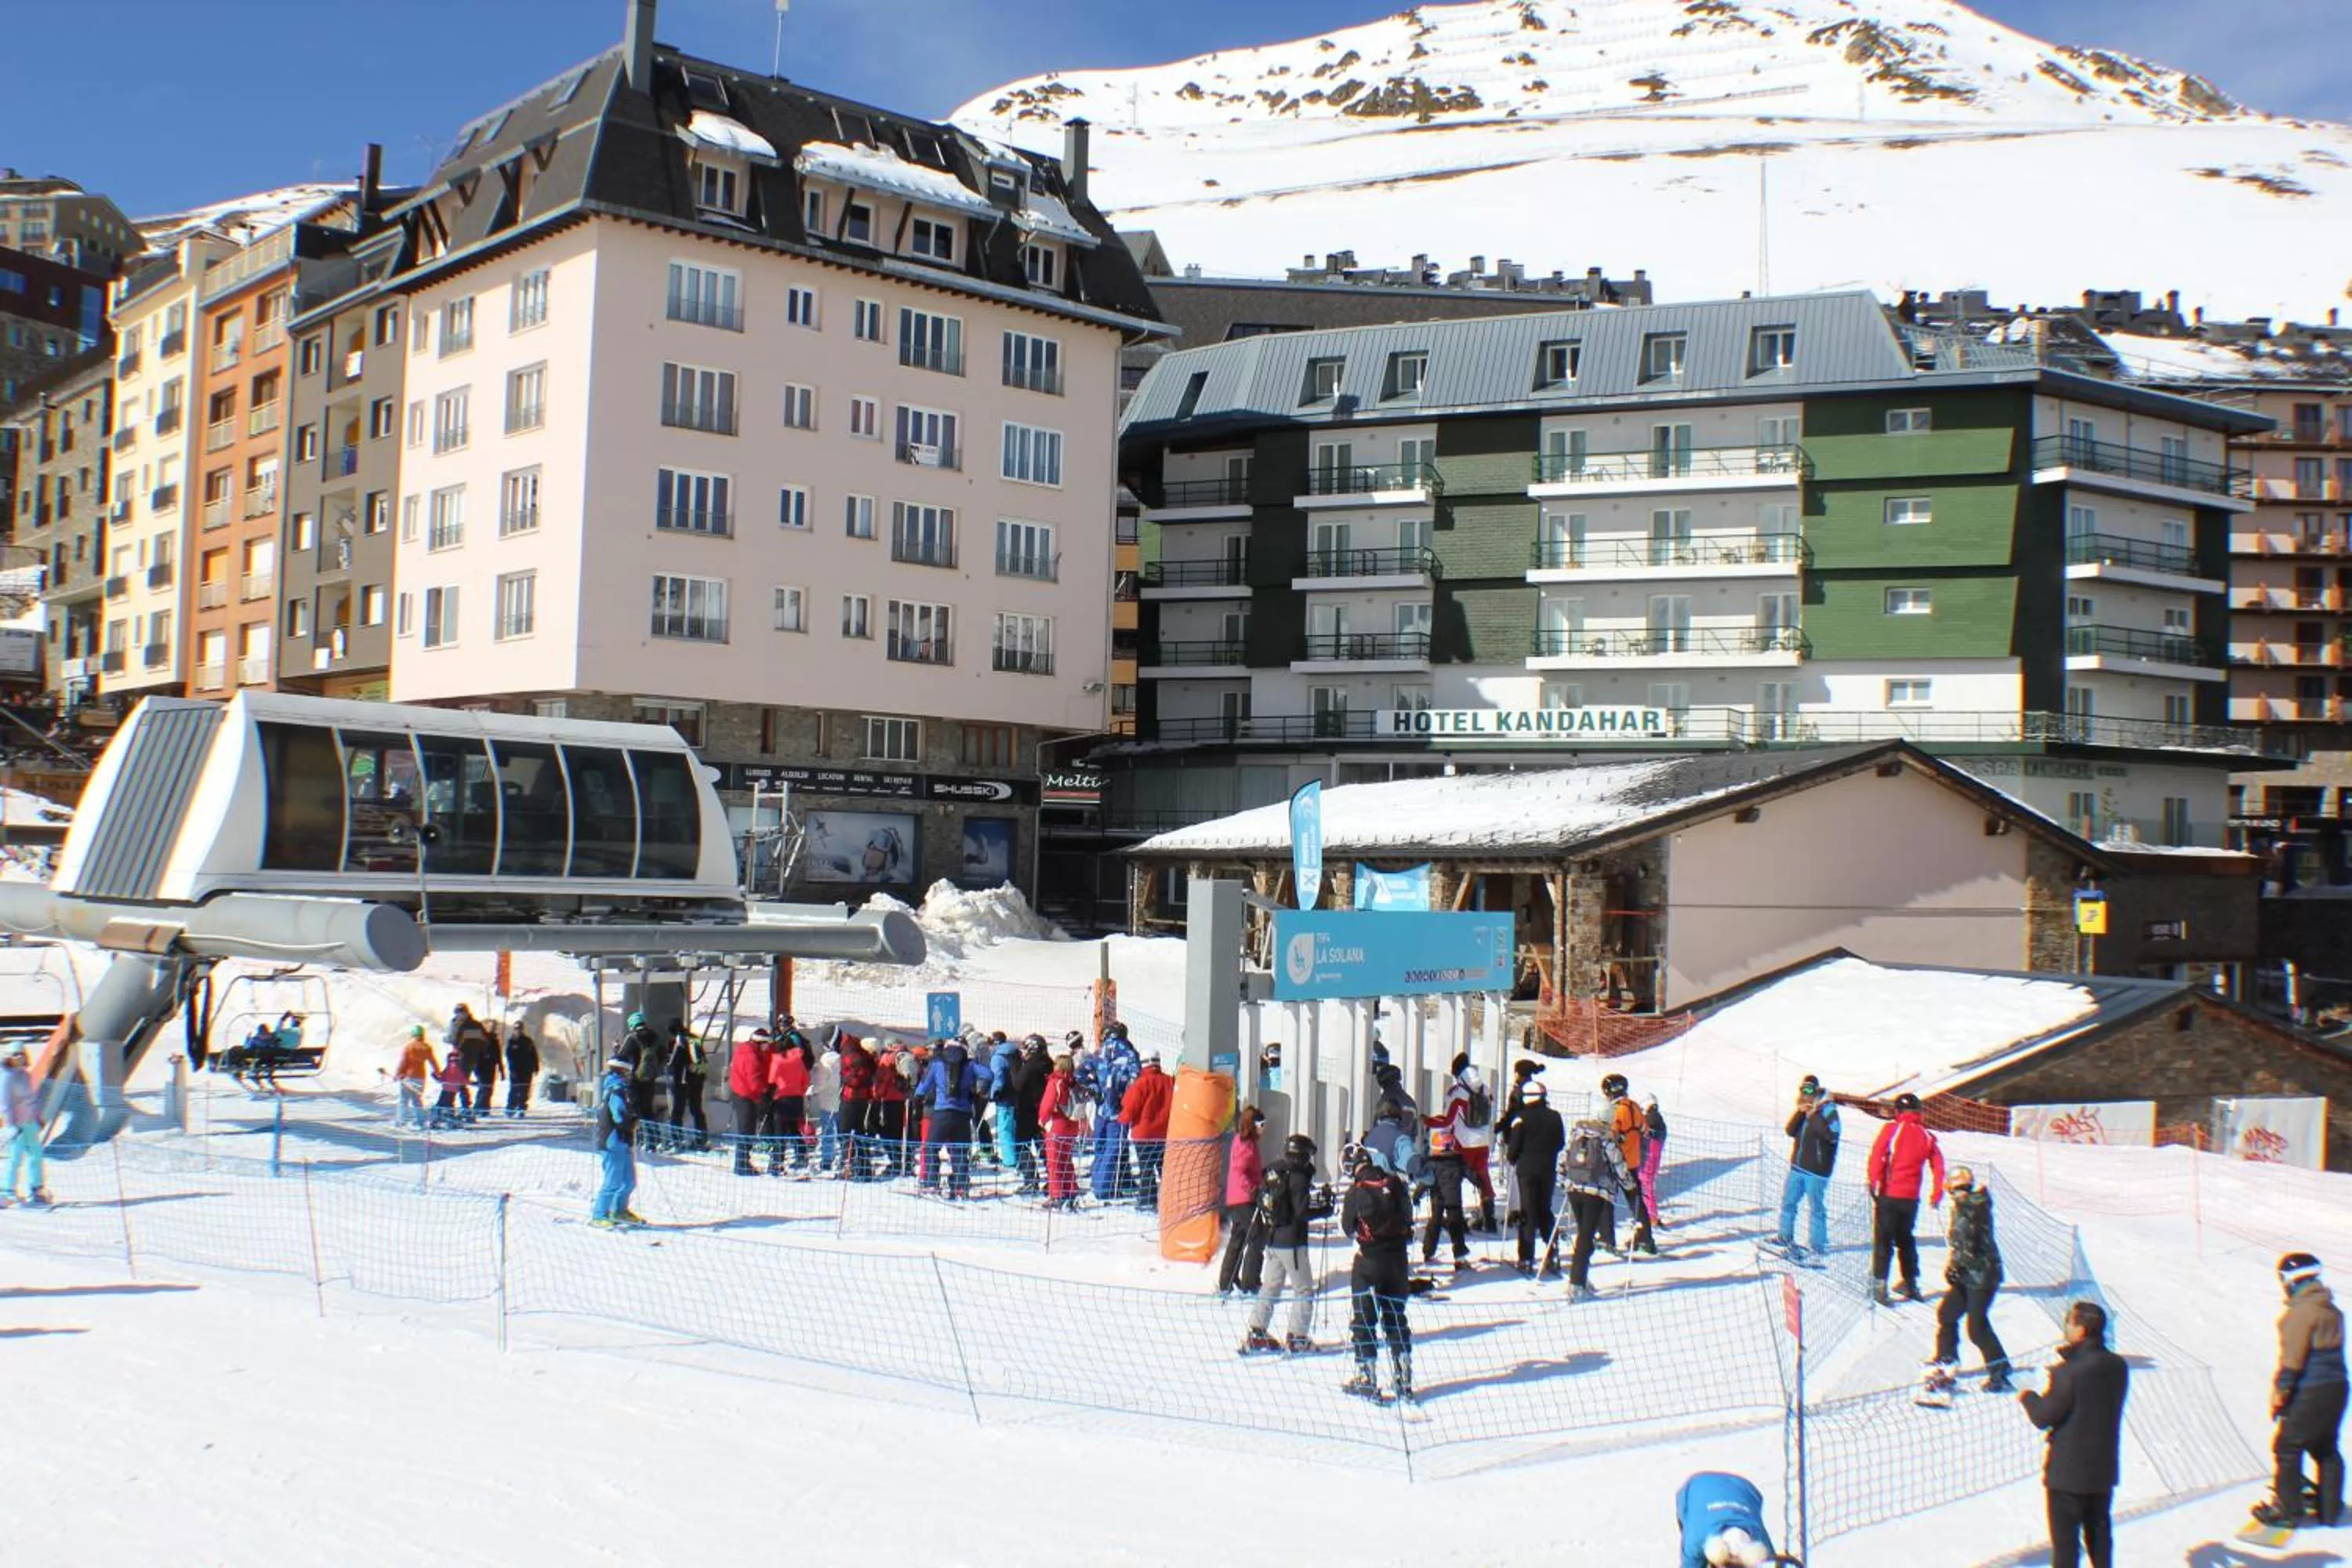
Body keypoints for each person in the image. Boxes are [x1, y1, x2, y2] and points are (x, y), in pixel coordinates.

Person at [2020, 1300, 2129, 1568]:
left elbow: (2043, 1416)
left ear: (2081, 1330)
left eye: (2069, 1321)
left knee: (2066, 1544)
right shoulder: (2118, 1366)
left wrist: (2028, 1396)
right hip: (2102, 1470)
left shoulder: (2069, 1373)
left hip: (2068, 1475)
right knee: (2100, 1536)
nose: (2066, 1326)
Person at [2256, 1252, 2345, 1529]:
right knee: (2325, 1446)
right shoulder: (2332, 1310)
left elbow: (2293, 1360)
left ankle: (2287, 1511)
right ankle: (2329, 1509)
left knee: (2287, 1447)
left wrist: (2281, 1393)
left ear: (2291, 1280)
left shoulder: (2300, 1313)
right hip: (2338, 1387)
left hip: (2311, 1388)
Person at [1240, 1132, 1333, 1355]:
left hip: (1273, 1239)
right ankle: (1298, 1336)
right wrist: (1324, 1210)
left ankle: (1257, 1332)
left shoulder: (1275, 1171)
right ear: (1303, 1155)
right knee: (1304, 1289)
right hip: (1293, 1243)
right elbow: (1301, 1211)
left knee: (1271, 1286)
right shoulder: (1299, 1176)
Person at [1341, 1142, 1415, 1403]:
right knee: (1396, 1318)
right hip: (1398, 1262)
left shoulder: (1356, 1192)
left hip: (1369, 1262)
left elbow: (1347, 1228)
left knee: (1364, 1318)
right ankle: (1403, 1376)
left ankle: (1366, 1375)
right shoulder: (1395, 1183)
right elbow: (1408, 1217)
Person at [1930, 1166, 2013, 1392]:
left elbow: (1971, 1241)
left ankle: (2000, 1371)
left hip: (1983, 1276)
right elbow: (1961, 1243)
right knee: (1947, 1313)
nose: (1954, 1196)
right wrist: (1954, 1266)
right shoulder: (1964, 1206)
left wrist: (1958, 1265)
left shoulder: (1973, 1207)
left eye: (1955, 1191)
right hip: (1969, 1274)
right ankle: (1946, 1359)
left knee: (1976, 1327)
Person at [1867, 1091, 1947, 1305]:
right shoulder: (1927, 1136)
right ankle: (1911, 1283)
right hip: (1911, 1199)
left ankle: (1880, 1286)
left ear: (1898, 1112)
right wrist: (1937, 1191)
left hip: (1889, 1194)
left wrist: (1873, 1180)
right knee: (1905, 1240)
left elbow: (1878, 1154)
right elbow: (1938, 1165)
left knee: (1884, 1240)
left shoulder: (1892, 1129)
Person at [1561, 1109, 1634, 1301]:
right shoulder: (1606, 1139)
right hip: (1596, 1192)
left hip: (1574, 1189)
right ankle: (1576, 1283)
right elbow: (1618, 1166)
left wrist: (1563, 1180)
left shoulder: (1577, 1133)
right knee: (1586, 1236)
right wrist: (1629, 1185)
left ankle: (1581, 1278)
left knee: (1584, 1234)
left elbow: (1565, 1158)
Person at [1504, 1078, 1565, 1278]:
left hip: (1527, 1171)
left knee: (1528, 1213)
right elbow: (1560, 1142)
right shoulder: (1555, 1117)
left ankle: (1526, 1258)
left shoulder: (1521, 1118)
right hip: (1548, 1169)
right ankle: (1553, 1253)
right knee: (1545, 1211)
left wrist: (1513, 1157)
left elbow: (1513, 1148)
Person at [1776, 1075, 1840, 1264]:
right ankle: (1785, 1236)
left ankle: (1817, 1246)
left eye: (1810, 1090)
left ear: (1817, 1090)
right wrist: (1800, 1113)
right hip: (1798, 1167)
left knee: (1816, 1208)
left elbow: (1832, 1135)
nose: (1806, 1094)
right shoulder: (1804, 1110)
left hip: (1817, 1171)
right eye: (1803, 1090)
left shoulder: (1828, 1110)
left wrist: (1814, 1116)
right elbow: (1790, 1131)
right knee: (1788, 1202)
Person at [913, 1036, 985, 1199]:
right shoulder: (970, 1065)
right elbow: (988, 1075)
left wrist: (917, 1096)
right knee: (960, 1151)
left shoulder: (938, 1064)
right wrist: (979, 1091)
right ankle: (961, 1186)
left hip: (941, 1112)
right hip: (963, 1114)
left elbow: (924, 1087)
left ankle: (932, 1183)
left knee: (932, 1147)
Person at [1674, 1472, 1777, 1568]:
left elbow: (1771, 1563)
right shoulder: (1696, 1538)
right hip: (1695, 1489)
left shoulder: (1759, 1537)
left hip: (1745, 1490)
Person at [1085, 1025, 1142, 1201]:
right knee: (1114, 1147)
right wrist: (1127, 1097)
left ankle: (1099, 1181)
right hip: (1120, 1109)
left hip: (1102, 1108)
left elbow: (1081, 1072)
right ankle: (1105, 1188)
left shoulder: (1098, 1052)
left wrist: (1095, 1089)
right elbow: (1136, 1079)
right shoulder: (1130, 1054)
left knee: (1101, 1146)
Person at [1602, 1072, 1654, 1256]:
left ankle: (1606, 1238)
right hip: (1633, 1161)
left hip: (1616, 1161)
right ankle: (1646, 1238)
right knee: (1636, 1199)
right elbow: (1644, 1129)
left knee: (1607, 1198)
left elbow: (1611, 1134)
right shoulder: (1634, 1107)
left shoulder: (1616, 1110)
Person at [1444, 1056, 1498, 1233]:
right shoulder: (1485, 1089)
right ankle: (1489, 1218)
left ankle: (1458, 1221)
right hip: (1482, 1142)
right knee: (1483, 1178)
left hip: (1462, 1142)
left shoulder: (1456, 1092)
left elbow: (1448, 1121)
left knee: (1455, 1180)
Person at [1217, 1105, 1267, 1296]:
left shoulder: (1246, 1142)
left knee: (1238, 1238)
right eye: (1261, 1124)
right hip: (1244, 1198)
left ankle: (1227, 1281)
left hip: (1237, 1197)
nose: (1264, 1128)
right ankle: (1250, 1282)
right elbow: (1240, 1170)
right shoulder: (1246, 1144)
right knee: (1256, 1237)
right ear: (1252, 1125)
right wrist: (1254, 1189)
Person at [1492, 1057, 1547, 1229]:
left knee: (1514, 1178)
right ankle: (1529, 1211)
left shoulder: (1518, 1092)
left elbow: (1512, 1115)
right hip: (1534, 1142)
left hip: (1516, 1138)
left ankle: (1516, 1211)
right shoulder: (1536, 1091)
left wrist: (1499, 1127)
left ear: (1518, 1073)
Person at [590, 1058, 643, 1229]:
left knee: (629, 1181)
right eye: (628, 1072)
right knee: (613, 1181)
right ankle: (599, 1214)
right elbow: (619, 1116)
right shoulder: (617, 1090)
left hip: (623, 1142)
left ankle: (619, 1210)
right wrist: (632, 1121)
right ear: (623, 1072)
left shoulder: (623, 1090)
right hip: (613, 1142)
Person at [1420, 1105, 1472, 1275]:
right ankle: (1460, 1257)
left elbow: (1425, 1182)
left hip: (1437, 1198)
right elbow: (1470, 1173)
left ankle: (1428, 1253)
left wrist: (1417, 1194)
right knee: (1456, 1226)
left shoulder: (1432, 1163)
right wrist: (1480, 1183)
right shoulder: (1458, 1161)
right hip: (1454, 1200)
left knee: (1434, 1223)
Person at [1120, 1046, 1174, 1210]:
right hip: (1165, 1133)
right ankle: (1170, 1198)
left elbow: (1130, 1108)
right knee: (1164, 1168)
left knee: (1146, 1168)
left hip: (1144, 1134)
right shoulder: (1170, 1081)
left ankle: (1147, 1200)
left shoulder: (1140, 1084)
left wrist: (1122, 1118)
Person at [1, 1046, 52, 1207]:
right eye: (16, 1055)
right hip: (17, 1124)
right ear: (9, 1057)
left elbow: (31, 1099)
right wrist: (10, 1124)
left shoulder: (25, 1075)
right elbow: (5, 1103)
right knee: (15, 1157)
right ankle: (7, 1192)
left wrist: (38, 1117)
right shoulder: (6, 1076)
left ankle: (36, 1189)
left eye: (22, 1054)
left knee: (35, 1155)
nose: (19, 1058)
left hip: (29, 1122)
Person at [1038, 1053, 1090, 1209]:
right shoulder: (1074, 1083)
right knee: (1066, 1160)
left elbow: (1047, 1105)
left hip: (1057, 1125)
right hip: (1072, 1125)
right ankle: (1071, 1190)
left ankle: (1057, 1194)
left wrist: (1042, 1120)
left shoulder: (1055, 1082)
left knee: (1054, 1162)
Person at [726, 1028, 774, 1176]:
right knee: (746, 1131)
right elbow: (754, 1081)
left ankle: (743, 1161)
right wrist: (767, 1090)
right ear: (759, 1042)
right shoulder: (752, 1056)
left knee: (745, 1130)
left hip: (740, 1093)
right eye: (766, 1044)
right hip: (746, 1096)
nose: (767, 1047)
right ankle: (741, 1165)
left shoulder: (744, 1049)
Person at [767, 1026, 813, 1174]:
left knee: (780, 1132)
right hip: (797, 1099)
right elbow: (806, 1079)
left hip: (782, 1099)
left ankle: (777, 1161)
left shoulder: (777, 1061)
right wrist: (800, 1090)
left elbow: (771, 1079)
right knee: (794, 1129)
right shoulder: (798, 1060)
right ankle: (802, 1156)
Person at [1011, 1034, 1054, 1195]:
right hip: (1044, 1111)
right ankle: (1052, 1179)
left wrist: (1014, 1065)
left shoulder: (1031, 1065)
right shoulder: (1049, 1063)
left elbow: (1018, 1084)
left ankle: (1030, 1179)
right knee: (1044, 1146)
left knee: (1021, 1144)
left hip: (1028, 1110)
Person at [836, 1029, 876, 1180]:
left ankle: (850, 1166)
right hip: (860, 1098)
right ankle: (863, 1167)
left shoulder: (850, 1053)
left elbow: (858, 1078)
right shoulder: (854, 1048)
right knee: (857, 1132)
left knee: (846, 1132)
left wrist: (846, 1079)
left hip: (852, 1098)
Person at [614, 1010, 663, 1128]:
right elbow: (662, 1056)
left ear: (632, 1024)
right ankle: (653, 1139)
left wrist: (616, 1049)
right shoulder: (655, 1037)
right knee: (648, 1109)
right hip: (650, 1078)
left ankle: (638, 1138)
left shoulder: (632, 1038)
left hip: (634, 1078)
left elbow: (621, 1057)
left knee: (635, 1110)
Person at [870, 1043, 911, 1180]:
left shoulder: (887, 1058)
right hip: (905, 1099)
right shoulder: (909, 1056)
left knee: (889, 1132)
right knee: (902, 1133)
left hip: (889, 1099)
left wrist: (877, 1095)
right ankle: (906, 1162)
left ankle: (896, 1161)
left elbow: (883, 1079)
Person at [666, 1023, 708, 1152]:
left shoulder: (676, 1042)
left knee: (677, 1111)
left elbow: (672, 1062)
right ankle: (701, 1139)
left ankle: (676, 1139)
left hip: (682, 1081)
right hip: (697, 1079)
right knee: (696, 1109)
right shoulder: (695, 1039)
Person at [987, 1031, 1022, 1172]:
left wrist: (993, 1093)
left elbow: (998, 1078)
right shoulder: (1015, 1053)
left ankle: (1009, 1161)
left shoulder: (997, 1057)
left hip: (1004, 1097)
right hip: (1016, 1095)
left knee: (1004, 1129)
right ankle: (1016, 1156)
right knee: (1012, 1127)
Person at [809, 1028, 843, 1175]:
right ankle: (842, 1159)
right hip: (841, 1100)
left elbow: (822, 1082)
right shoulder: (842, 1058)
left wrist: (812, 1090)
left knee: (828, 1132)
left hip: (828, 1101)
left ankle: (827, 1161)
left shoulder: (826, 1060)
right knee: (840, 1132)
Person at [393, 1025, 436, 1131]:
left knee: (404, 1100)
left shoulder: (409, 1047)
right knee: (417, 1100)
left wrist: (397, 1074)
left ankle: (401, 1121)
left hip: (408, 1077)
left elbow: (403, 1062)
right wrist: (439, 1073)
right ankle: (420, 1121)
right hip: (421, 1078)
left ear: (413, 1035)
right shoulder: (427, 1047)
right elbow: (433, 1062)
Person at [1639, 1095, 1668, 1235]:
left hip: (1647, 1159)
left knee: (1646, 1188)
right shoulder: (1659, 1120)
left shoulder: (1651, 1121)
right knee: (1647, 1187)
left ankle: (1651, 1217)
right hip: (1653, 1159)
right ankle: (1649, 1215)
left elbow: (1644, 1136)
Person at [503, 1020, 539, 1119]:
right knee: (514, 1089)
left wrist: (536, 1067)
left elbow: (534, 1055)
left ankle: (521, 1109)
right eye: (516, 1029)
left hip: (527, 1070)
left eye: (520, 1029)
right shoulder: (512, 1041)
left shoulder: (528, 1041)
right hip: (515, 1070)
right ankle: (510, 1108)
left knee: (524, 1090)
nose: (518, 1031)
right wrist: (512, 1069)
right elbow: (509, 1056)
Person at [431, 1046, 473, 1128]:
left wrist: (436, 1077)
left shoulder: (451, 1068)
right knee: (447, 1105)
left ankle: (440, 1120)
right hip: (452, 1089)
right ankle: (448, 1121)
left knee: (442, 1105)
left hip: (447, 1089)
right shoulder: (457, 1068)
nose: (453, 1061)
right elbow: (462, 1079)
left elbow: (443, 1077)